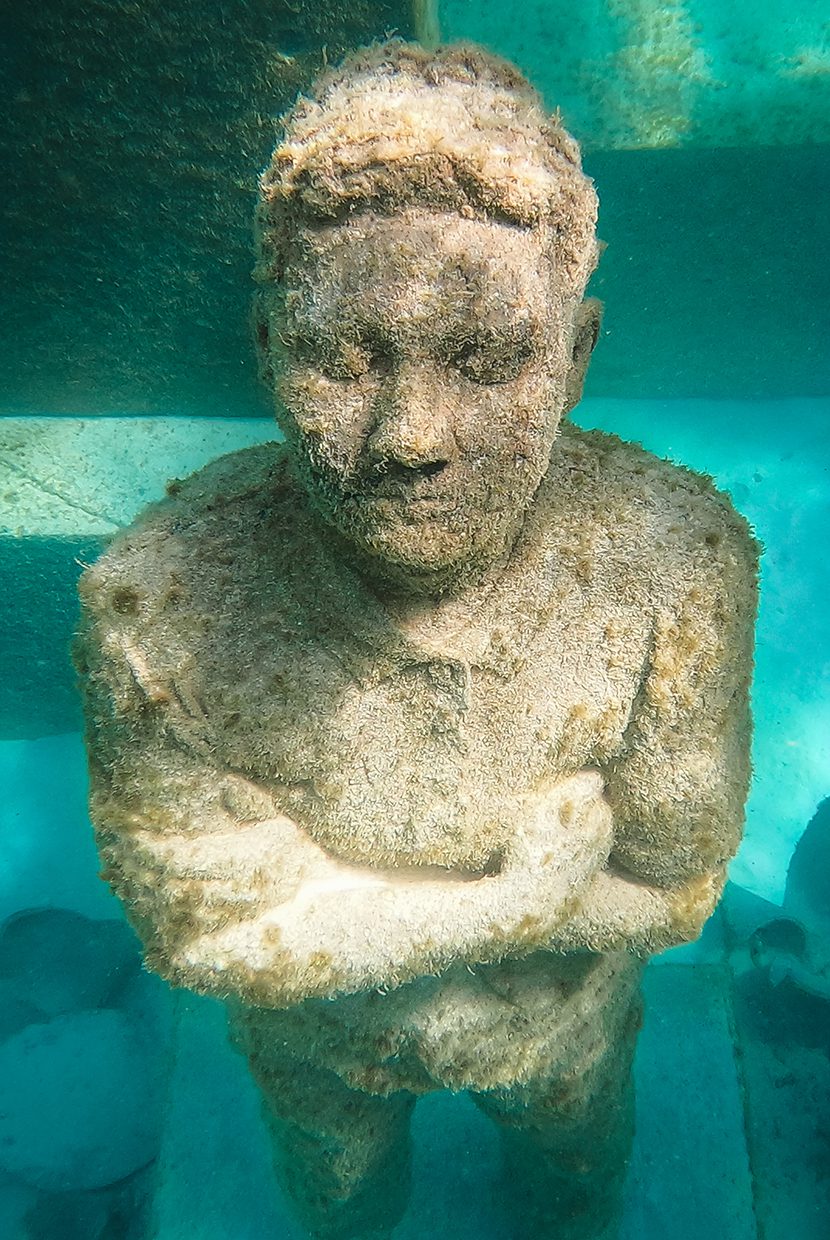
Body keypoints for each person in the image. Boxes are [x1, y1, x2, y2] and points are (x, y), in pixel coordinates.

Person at [75, 41, 759, 1240]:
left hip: (562, 1025)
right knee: (338, 1206)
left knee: (575, 1186)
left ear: (575, 357)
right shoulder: (160, 603)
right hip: (317, 1050)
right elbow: (199, 925)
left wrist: (333, 901)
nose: (409, 439)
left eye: (489, 357)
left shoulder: (673, 564)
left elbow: (672, 885)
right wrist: (516, 900)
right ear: (267, 347)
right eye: (345, 354)